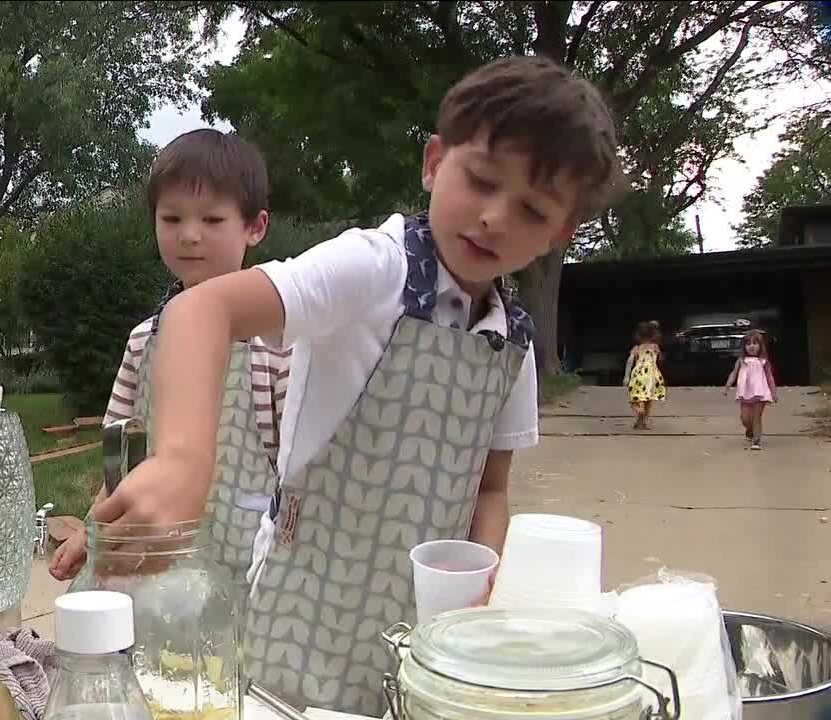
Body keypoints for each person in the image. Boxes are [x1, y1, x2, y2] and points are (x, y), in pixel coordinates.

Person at [90, 55, 623, 716]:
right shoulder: (374, 267)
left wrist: (478, 586)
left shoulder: (509, 339)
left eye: (532, 209)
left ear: (561, 232)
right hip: (297, 634)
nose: (493, 218)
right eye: (481, 180)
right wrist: (181, 459)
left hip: (420, 645)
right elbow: (201, 311)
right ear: (434, 161)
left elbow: (489, 487)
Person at [49, 128, 289, 586]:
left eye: (213, 220)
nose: (190, 236)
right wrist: (92, 532)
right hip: (150, 566)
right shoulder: (144, 342)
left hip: (245, 574)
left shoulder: (276, 346)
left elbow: (295, 476)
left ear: (255, 226)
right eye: (172, 219)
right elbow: (116, 467)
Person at [725, 329, 778, 450]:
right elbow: (734, 373)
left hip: (760, 393)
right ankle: (749, 429)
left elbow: (770, 377)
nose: (752, 346)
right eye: (748, 344)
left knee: (757, 417)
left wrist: (773, 392)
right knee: (745, 419)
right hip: (745, 393)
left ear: (760, 346)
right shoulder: (741, 360)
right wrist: (728, 385)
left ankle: (756, 440)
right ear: (744, 347)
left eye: (755, 343)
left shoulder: (763, 361)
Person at [624, 320, 667, 430]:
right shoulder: (655, 347)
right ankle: (643, 420)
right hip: (652, 376)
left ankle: (640, 414)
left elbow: (630, 361)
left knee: (637, 397)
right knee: (649, 398)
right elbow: (660, 359)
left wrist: (626, 376)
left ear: (638, 336)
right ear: (654, 335)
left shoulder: (637, 348)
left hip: (639, 375)